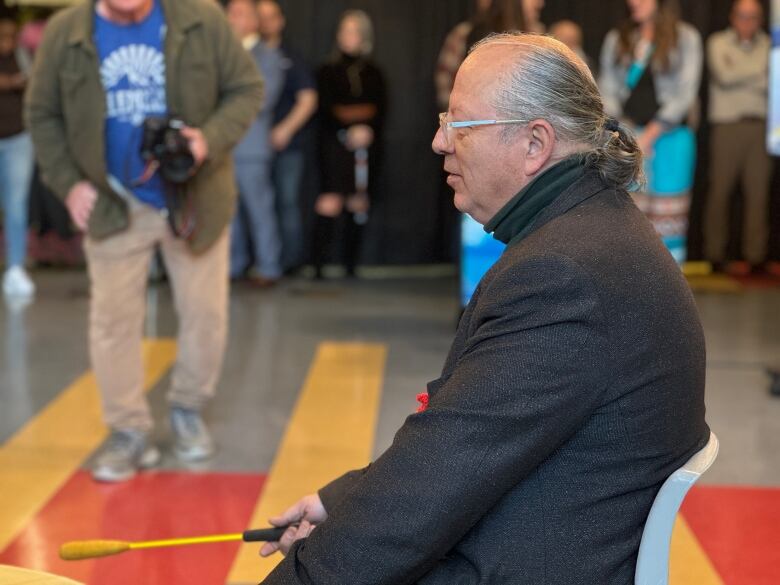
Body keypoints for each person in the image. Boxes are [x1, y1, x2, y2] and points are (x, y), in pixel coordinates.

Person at [257, 33, 709, 584]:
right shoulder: (594, 231)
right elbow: (458, 441)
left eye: (460, 126)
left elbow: (436, 483)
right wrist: (342, 502)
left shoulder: (564, 275)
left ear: (535, 144)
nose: (438, 142)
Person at [25, 0, 263, 482]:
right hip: (112, 201)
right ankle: (128, 430)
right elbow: (43, 114)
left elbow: (246, 89)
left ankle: (187, 411)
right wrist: (69, 182)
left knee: (205, 314)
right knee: (112, 322)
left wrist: (206, 140)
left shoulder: (201, 19)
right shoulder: (66, 32)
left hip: (194, 198)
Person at [599, 0, 702, 263]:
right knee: (627, 219)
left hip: (672, 140)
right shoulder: (617, 39)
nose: (633, 2)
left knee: (669, 224)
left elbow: (684, 93)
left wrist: (651, 134)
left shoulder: (686, 38)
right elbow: (607, 90)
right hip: (627, 140)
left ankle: (669, 294)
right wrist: (630, 135)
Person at [312, 10, 385, 278]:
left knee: (358, 201)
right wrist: (352, 121)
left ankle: (350, 267)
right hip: (334, 147)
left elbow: (379, 110)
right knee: (330, 200)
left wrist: (363, 127)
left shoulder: (374, 73)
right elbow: (329, 109)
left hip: (365, 149)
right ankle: (318, 267)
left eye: (354, 31)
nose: (348, 37)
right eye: (344, 31)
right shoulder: (327, 71)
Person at [704, 0, 772, 276]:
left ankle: (756, 257)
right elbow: (725, 76)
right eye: (742, 16)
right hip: (727, 126)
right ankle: (715, 255)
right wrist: (761, 74)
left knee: (758, 193)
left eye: (753, 17)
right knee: (720, 190)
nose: (747, 22)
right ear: (733, 18)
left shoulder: (770, 44)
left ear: (760, 19)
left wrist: (744, 74)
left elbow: (775, 82)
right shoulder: (718, 42)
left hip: (760, 127)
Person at [257, 0, 318, 275]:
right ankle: (262, 260)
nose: (266, 22)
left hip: (287, 145)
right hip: (254, 146)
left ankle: (291, 262)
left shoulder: (291, 57)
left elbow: (308, 99)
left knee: (287, 202)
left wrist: (285, 129)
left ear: (281, 20)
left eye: (271, 17)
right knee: (260, 205)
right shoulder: (249, 55)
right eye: (261, 17)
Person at [226, 0, 284, 287]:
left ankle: (268, 266)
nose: (232, 18)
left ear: (253, 21)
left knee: (259, 209)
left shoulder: (268, 56)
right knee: (227, 213)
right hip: (224, 147)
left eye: (239, 13)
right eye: (231, 13)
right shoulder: (221, 53)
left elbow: (262, 99)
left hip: (251, 147)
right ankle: (232, 266)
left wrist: (225, 107)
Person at [0, 10, 35, 300]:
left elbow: (37, 87)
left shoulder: (24, 56)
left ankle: (15, 268)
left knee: (16, 207)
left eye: (12, 36)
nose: (7, 42)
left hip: (19, 139)